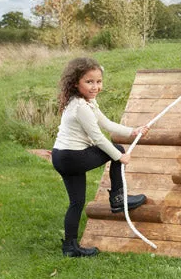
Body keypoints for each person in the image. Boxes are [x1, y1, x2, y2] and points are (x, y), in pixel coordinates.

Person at [51, 57, 149, 257]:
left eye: (98, 81)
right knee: (117, 149)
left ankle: (70, 247)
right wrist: (120, 157)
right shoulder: (80, 108)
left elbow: (107, 124)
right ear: (75, 83)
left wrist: (133, 130)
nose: (95, 86)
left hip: (61, 157)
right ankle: (118, 199)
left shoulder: (84, 102)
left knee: (76, 203)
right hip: (72, 157)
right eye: (89, 82)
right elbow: (98, 139)